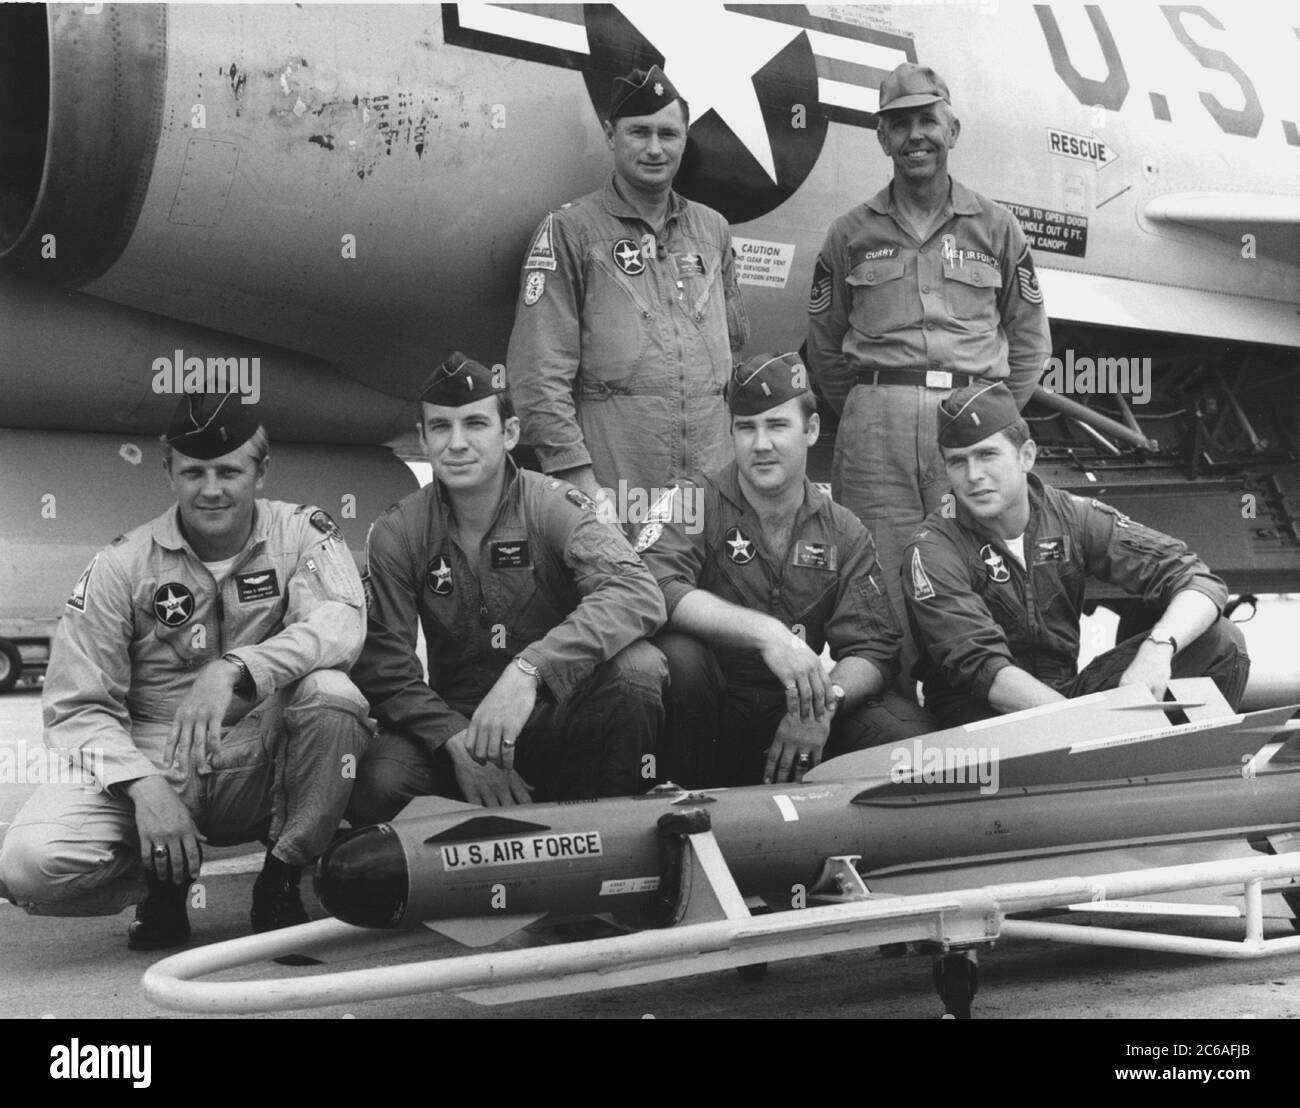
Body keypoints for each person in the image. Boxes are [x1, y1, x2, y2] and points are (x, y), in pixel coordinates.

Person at [0, 393, 371, 949]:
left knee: (333, 695)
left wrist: (237, 668)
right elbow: (76, 704)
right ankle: (162, 881)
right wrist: (143, 787)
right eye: (193, 472)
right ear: (167, 470)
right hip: (157, 753)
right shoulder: (122, 564)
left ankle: (283, 874)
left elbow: (341, 623)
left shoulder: (303, 534)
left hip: (259, 753)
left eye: (229, 470)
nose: (212, 489)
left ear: (261, 471)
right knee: (32, 865)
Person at [806, 61, 1052, 682]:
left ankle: (979, 706)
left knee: (975, 571)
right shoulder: (849, 233)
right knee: (879, 582)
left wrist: (988, 415)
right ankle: (891, 722)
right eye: (899, 124)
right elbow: (826, 348)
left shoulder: (996, 226)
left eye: (927, 120)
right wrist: (873, 404)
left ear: (953, 128)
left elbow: (1028, 339)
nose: (915, 135)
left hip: (969, 426)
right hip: (875, 430)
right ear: (881, 136)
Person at [345, 353, 667, 820]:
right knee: (381, 780)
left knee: (638, 669)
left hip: (553, 712)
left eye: (475, 424)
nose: (457, 444)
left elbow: (636, 592)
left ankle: (603, 835)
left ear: (509, 434)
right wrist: (454, 739)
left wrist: (530, 670)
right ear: (422, 438)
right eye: (440, 427)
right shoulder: (399, 531)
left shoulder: (553, 506)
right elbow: (386, 665)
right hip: (462, 725)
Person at [635, 353, 933, 788]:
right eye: (745, 427)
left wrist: (821, 706)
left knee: (909, 734)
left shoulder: (843, 529)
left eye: (776, 426)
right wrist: (767, 634)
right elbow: (653, 584)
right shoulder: (691, 502)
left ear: (811, 430)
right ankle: (676, 807)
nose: (760, 444)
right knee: (678, 658)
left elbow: (874, 649)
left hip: (793, 713)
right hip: (706, 713)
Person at [902, 382, 1250, 726]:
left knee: (1221, 641)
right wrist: (1086, 724)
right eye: (958, 462)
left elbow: (1195, 578)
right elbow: (984, 670)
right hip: (983, 715)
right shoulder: (933, 548)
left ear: (1026, 455)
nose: (973, 475)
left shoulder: (1071, 516)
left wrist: (1158, 648)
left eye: (987, 455)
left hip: (1064, 694)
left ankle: (1166, 766)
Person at [506, 64, 749, 529]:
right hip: (614, 491)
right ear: (610, 135)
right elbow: (537, 373)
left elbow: (732, 356)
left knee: (701, 597)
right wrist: (581, 484)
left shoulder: (713, 231)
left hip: (709, 489)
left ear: (684, 138)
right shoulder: (571, 231)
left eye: (668, 134)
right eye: (639, 132)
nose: (655, 148)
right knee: (626, 600)